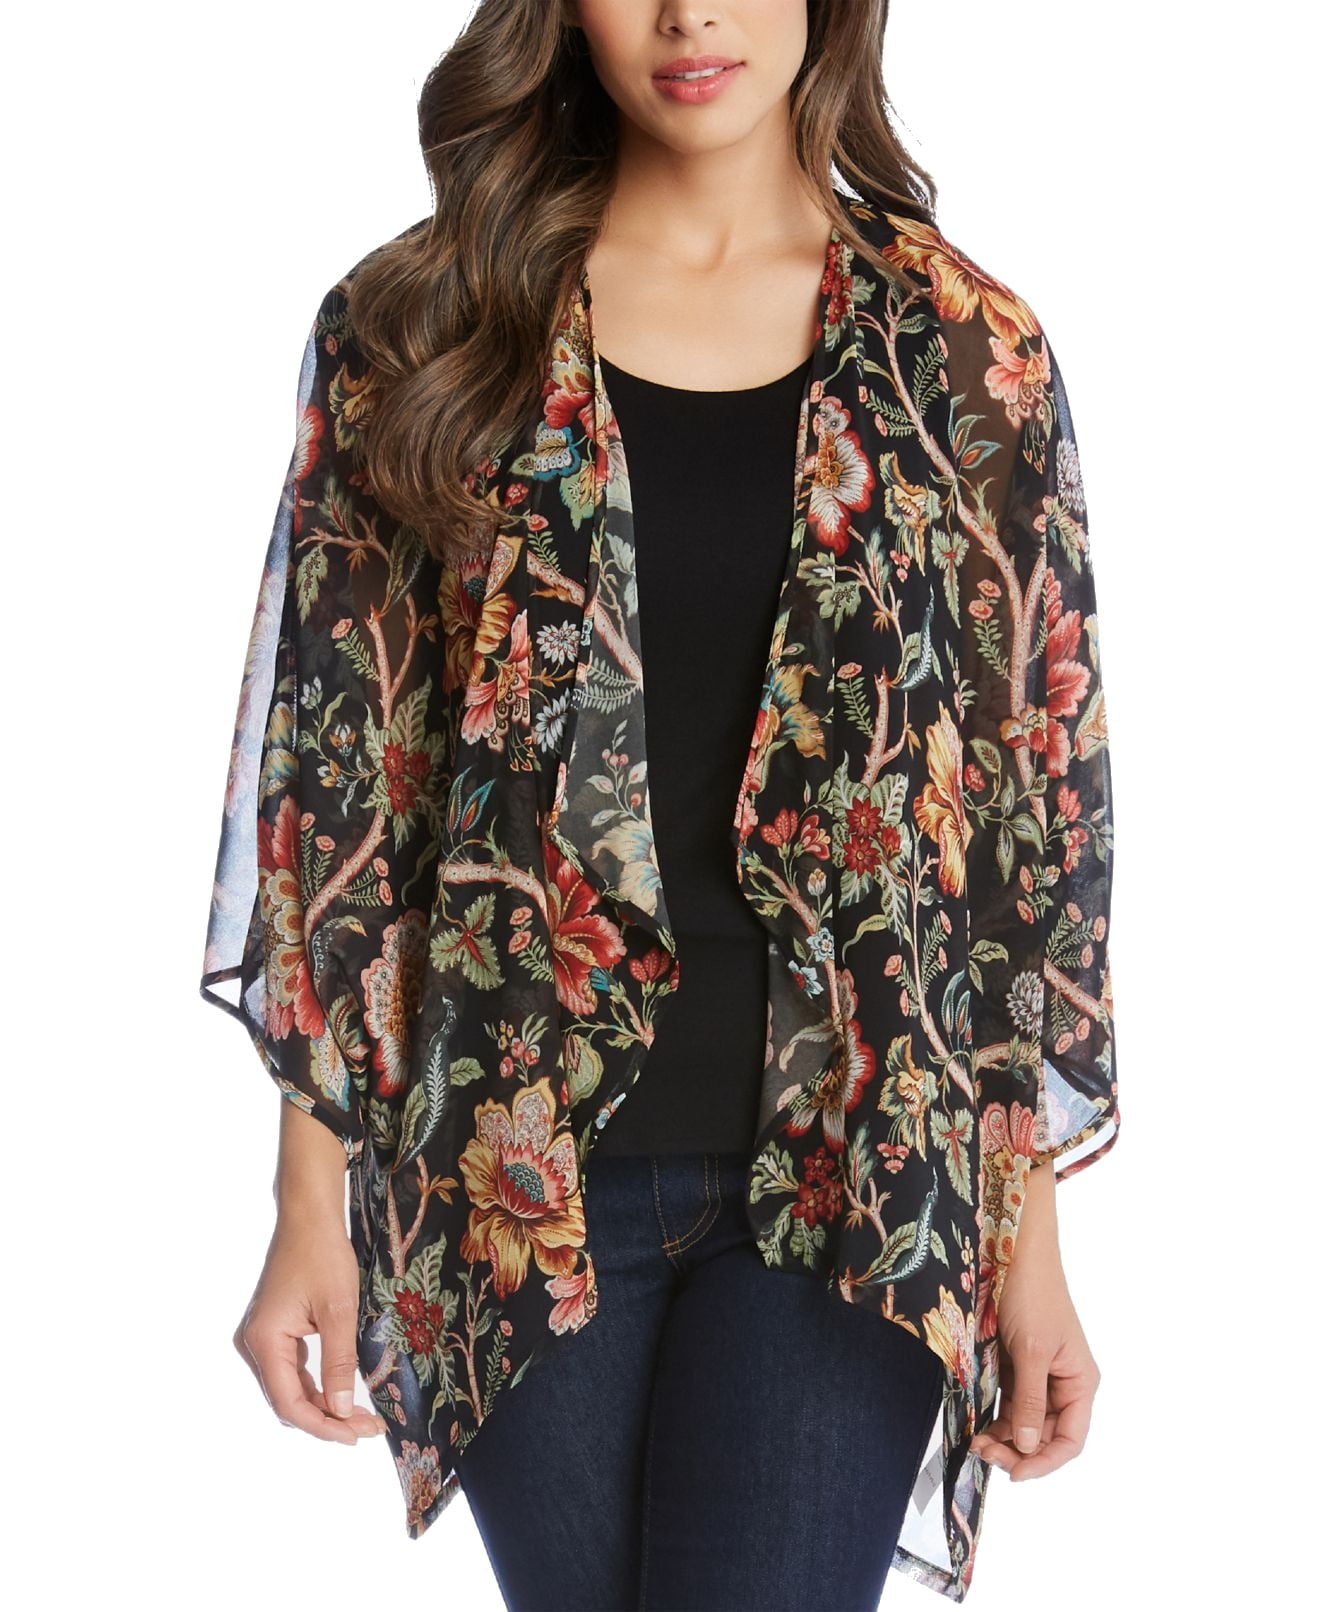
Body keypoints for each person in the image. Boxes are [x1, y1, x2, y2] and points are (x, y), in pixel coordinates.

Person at [199, 3, 1119, 1608]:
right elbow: (337, 795)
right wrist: (307, 1202)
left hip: (855, 1177)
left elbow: (1026, 826)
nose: (690, 13)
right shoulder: (422, 327)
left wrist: (1029, 1246)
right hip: (512, 1172)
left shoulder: (963, 347)